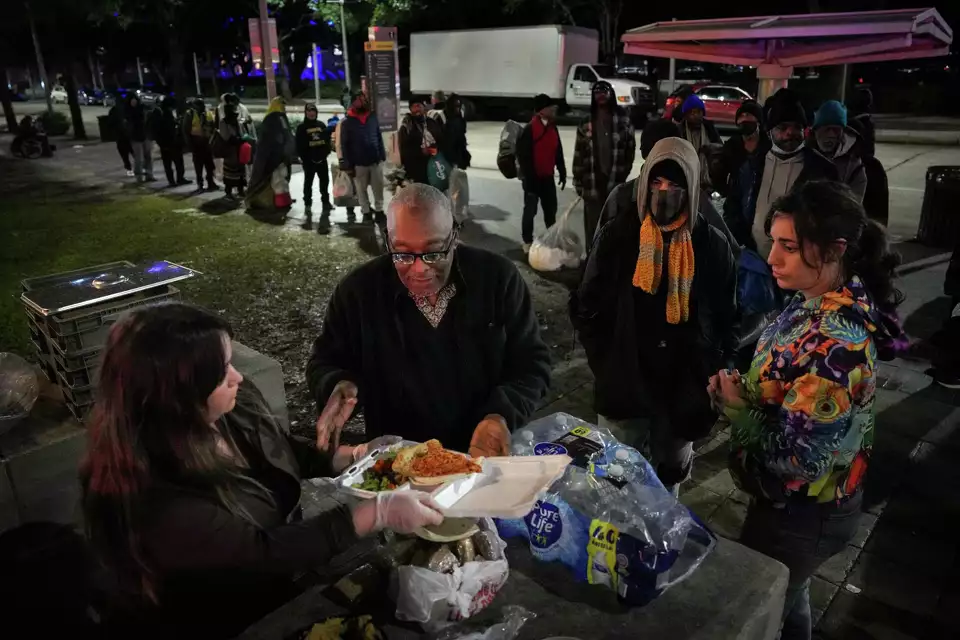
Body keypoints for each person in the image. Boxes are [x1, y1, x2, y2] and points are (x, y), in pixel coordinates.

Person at [81, 303, 444, 638]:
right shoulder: (154, 497)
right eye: (220, 371)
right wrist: (374, 513)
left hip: (278, 579)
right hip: (219, 616)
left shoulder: (223, 409)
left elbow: (274, 447)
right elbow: (261, 554)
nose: (237, 376)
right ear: (176, 396)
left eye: (230, 360)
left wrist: (353, 457)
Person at [710, 180, 905, 640]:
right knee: (789, 599)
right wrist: (747, 391)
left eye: (789, 247)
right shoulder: (814, 298)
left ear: (836, 250)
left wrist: (738, 410)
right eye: (773, 243)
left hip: (801, 512)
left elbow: (801, 458)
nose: (773, 259)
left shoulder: (834, 342)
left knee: (756, 611)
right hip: (797, 505)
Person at [306, 183, 551, 457]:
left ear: (454, 237)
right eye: (402, 254)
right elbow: (323, 361)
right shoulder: (358, 292)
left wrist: (501, 415)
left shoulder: (497, 279)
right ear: (388, 240)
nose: (419, 268)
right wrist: (338, 384)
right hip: (401, 466)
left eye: (434, 253)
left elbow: (532, 364)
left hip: (485, 458)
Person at [570, 138, 738, 495]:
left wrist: (708, 370)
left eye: (676, 185)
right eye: (657, 183)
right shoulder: (619, 234)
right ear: (644, 183)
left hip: (683, 389)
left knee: (667, 485)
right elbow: (587, 304)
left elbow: (726, 318)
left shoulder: (711, 245)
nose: (664, 193)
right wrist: (607, 361)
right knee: (614, 484)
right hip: (625, 385)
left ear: (692, 188)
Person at [726, 89, 838, 259]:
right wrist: (743, 246)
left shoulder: (822, 171)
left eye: (796, 127)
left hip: (802, 266)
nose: (789, 133)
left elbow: (833, 220)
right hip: (756, 265)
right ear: (770, 131)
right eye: (783, 127)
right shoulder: (752, 166)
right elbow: (733, 209)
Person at [572, 80, 636, 250]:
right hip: (592, 182)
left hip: (615, 181)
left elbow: (630, 150)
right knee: (592, 226)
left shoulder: (623, 119)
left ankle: (610, 263)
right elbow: (579, 153)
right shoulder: (586, 122)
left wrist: (623, 173)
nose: (601, 96)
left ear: (610, 95)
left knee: (613, 225)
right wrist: (578, 181)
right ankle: (591, 263)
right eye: (597, 93)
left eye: (604, 92)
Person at [516, 93, 567, 253]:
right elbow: (523, 156)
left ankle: (551, 239)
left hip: (547, 177)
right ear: (542, 110)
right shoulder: (530, 129)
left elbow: (558, 151)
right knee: (530, 211)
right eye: (551, 107)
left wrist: (562, 170)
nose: (554, 110)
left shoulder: (553, 127)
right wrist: (530, 179)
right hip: (533, 179)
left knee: (550, 210)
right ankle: (527, 241)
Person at [340, 91, 386, 224]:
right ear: (354, 103)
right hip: (358, 163)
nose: (361, 102)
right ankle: (366, 212)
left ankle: (379, 210)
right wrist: (348, 164)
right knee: (361, 189)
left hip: (375, 160)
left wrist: (381, 154)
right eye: (358, 100)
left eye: (363, 99)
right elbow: (344, 144)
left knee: (378, 188)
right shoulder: (348, 122)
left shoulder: (372, 117)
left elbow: (378, 136)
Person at [809, 100, 867, 202]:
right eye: (826, 129)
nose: (831, 135)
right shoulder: (802, 155)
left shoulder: (854, 167)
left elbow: (853, 207)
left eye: (836, 130)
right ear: (816, 130)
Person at [246, 97, 296, 213]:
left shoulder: (275, 118)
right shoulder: (276, 118)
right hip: (273, 156)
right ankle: (277, 202)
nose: (284, 107)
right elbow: (276, 137)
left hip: (277, 155)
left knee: (280, 179)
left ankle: (282, 201)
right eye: (282, 105)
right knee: (277, 180)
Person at [295, 103, 333, 215]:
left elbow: (327, 142)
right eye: (309, 111)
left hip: (322, 160)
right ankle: (307, 204)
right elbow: (299, 146)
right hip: (309, 162)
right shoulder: (301, 127)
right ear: (306, 113)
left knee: (325, 182)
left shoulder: (321, 125)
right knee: (308, 183)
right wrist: (306, 159)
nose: (311, 113)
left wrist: (325, 154)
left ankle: (326, 202)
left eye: (313, 111)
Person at [398, 97, 444, 186]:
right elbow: (403, 147)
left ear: (424, 108)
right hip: (415, 168)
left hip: (433, 166)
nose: (417, 109)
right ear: (410, 109)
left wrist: (435, 150)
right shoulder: (407, 125)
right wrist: (420, 152)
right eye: (414, 107)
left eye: (419, 106)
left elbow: (441, 140)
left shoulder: (432, 123)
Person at [150, 96, 190, 188]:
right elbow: (157, 129)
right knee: (168, 163)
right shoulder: (160, 112)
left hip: (175, 142)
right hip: (166, 142)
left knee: (178, 162)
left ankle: (180, 178)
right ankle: (172, 181)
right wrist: (161, 143)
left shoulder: (169, 112)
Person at [181, 98, 219, 191]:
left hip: (207, 143)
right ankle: (200, 184)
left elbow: (213, 127)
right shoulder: (190, 114)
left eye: (202, 105)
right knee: (198, 166)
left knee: (209, 165)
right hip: (196, 143)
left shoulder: (208, 113)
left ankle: (211, 182)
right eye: (199, 105)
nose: (201, 107)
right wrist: (189, 144)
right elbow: (186, 130)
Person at [218, 101, 247, 200]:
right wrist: (236, 139)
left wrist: (242, 138)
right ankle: (228, 192)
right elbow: (225, 137)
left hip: (239, 150)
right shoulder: (223, 122)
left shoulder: (236, 122)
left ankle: (240, 190)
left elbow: (241, 133)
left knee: (240, 171)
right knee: (229, 173)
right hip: (230, 151)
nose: (235, 116)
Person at [124, 96, 154, 183]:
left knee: (148, 157)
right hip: (135, 138)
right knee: (139, 158)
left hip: (145, 136)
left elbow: (148, 121)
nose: (134, 103)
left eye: (135, 100)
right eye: (132, 101)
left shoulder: (142, 109)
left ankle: (149, 175)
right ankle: (139, 177)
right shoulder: (128, 112)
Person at [440, 93, 470, 169]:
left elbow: (463, 133)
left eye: (458, 106)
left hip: (458, 151)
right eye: (455, 106)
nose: (457, 108)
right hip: (447, 151)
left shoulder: (460, 117)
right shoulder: (442, 116)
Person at [109, 102, 135, 176]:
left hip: (123, 135)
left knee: (126, 153)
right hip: (124, 135)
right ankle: (131, 168)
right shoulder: (125, 110)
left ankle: (130, 168)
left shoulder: (115, 110)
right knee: (130, 152)